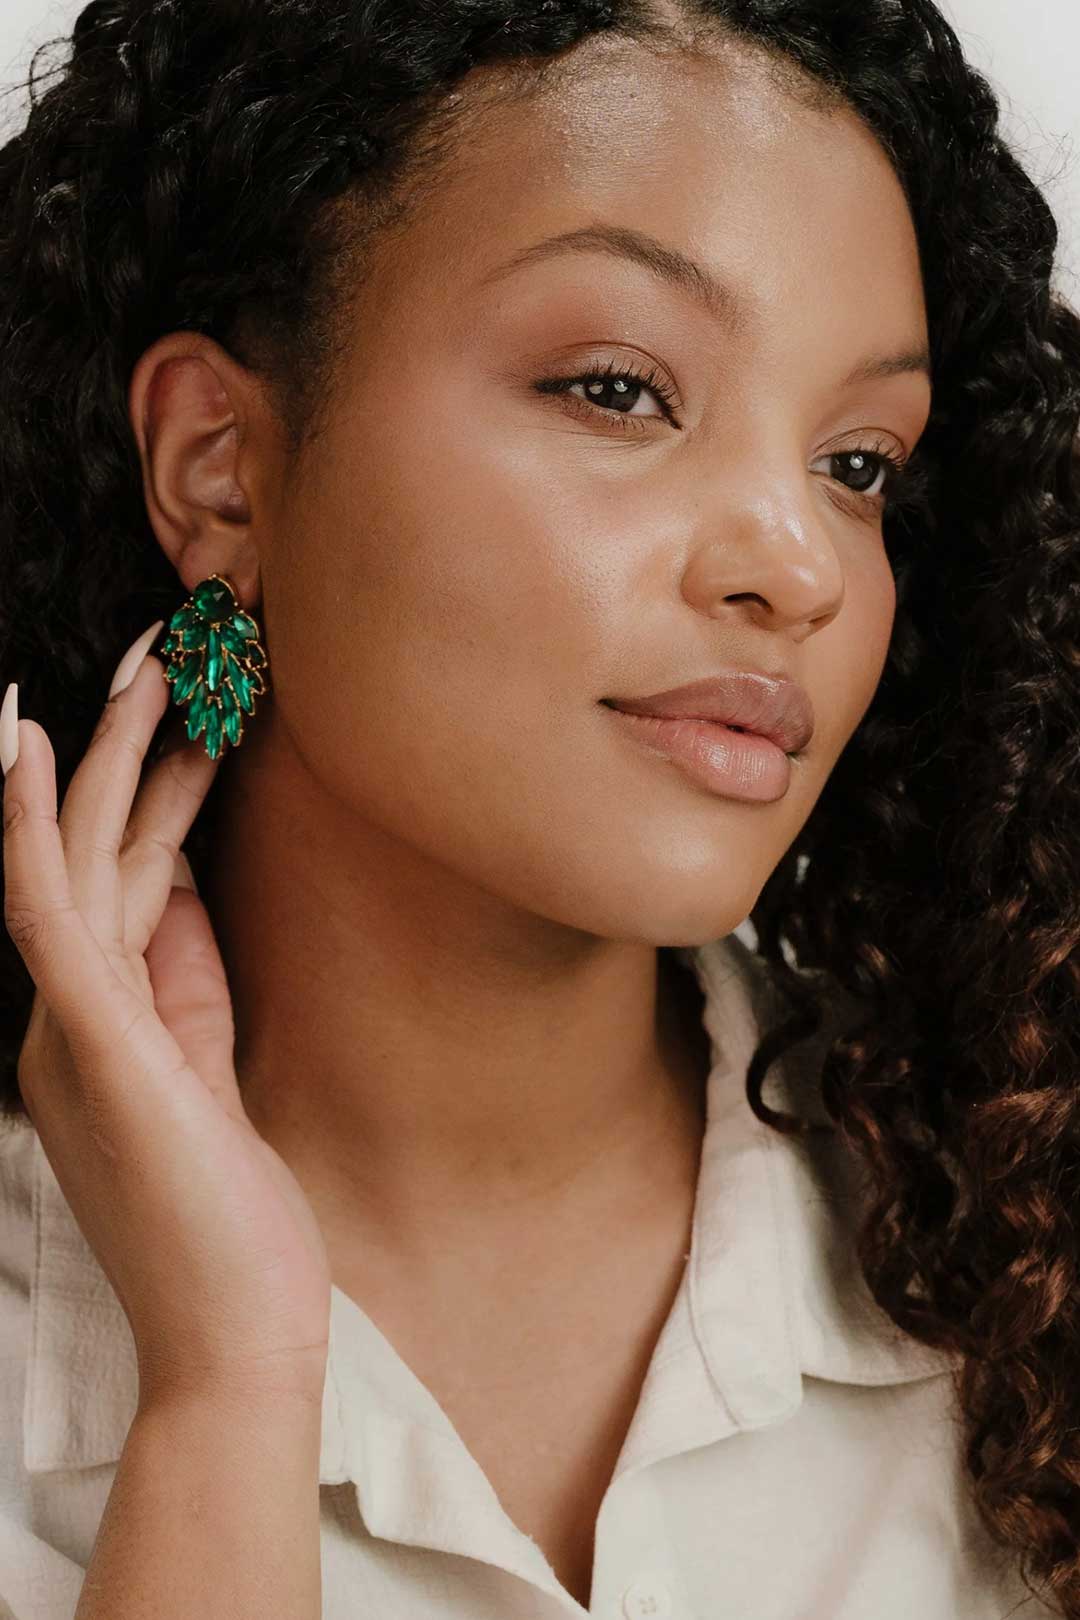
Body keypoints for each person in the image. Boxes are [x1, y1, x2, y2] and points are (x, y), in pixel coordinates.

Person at [0, 0, 1078, 1615]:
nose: (797, 566)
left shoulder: (1024, 1236)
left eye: (859, 465)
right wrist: (224, 1394)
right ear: (220, 464)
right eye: (620, 389)